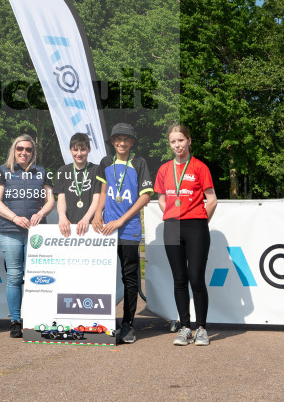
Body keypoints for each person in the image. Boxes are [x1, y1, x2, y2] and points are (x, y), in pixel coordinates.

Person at [154, 124, 218, 347]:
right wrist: (172, 214)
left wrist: (200, 220)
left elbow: (212, 199)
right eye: (173, 142)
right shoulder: (164, 169)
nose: (177, 145)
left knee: (196, 279)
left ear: (189, 141)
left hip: (196, 227)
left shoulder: (200, 167)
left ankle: (202, 328)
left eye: (181, 140)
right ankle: (185, 327)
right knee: (179, 279)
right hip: (172, 226)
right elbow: (162, 198)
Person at [93, 122, 153, 344]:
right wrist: (98, 213)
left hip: (128, 228)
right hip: (106, 229)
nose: (122, 142)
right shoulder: (106, 162)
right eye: (117, 139)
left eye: (126, 139)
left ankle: (128, 324)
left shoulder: (139, 162)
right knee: (103, 275)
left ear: (132, 142)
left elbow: (145, 197)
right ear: (112, 142)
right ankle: (104, 322)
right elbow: (102, 190)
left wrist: (120, 220)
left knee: (129, 277)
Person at [0, 134, 54, 338]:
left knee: (37, 277)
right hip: (11, 230)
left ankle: (36, 319)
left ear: (33, 152)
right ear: (14, 150)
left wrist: (41, 213)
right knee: (15, 276)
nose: (24, 152)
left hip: (37, 231)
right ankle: (16, 321)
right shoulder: (3, 171)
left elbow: (50, 201)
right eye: (20, 149)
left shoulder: (42, 172)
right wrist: (15, 218)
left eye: (28, 149)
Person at [54, 132, 103, 237]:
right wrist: (62, 217)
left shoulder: (97, 170)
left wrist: (86, 219)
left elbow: (97, 199)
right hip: (69, 226)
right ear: (70, 150)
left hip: (91, 226)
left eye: (83, 149)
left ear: (89, 150)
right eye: (75, 150)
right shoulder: (62, 171)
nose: (79, 154)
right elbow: (61, 198)